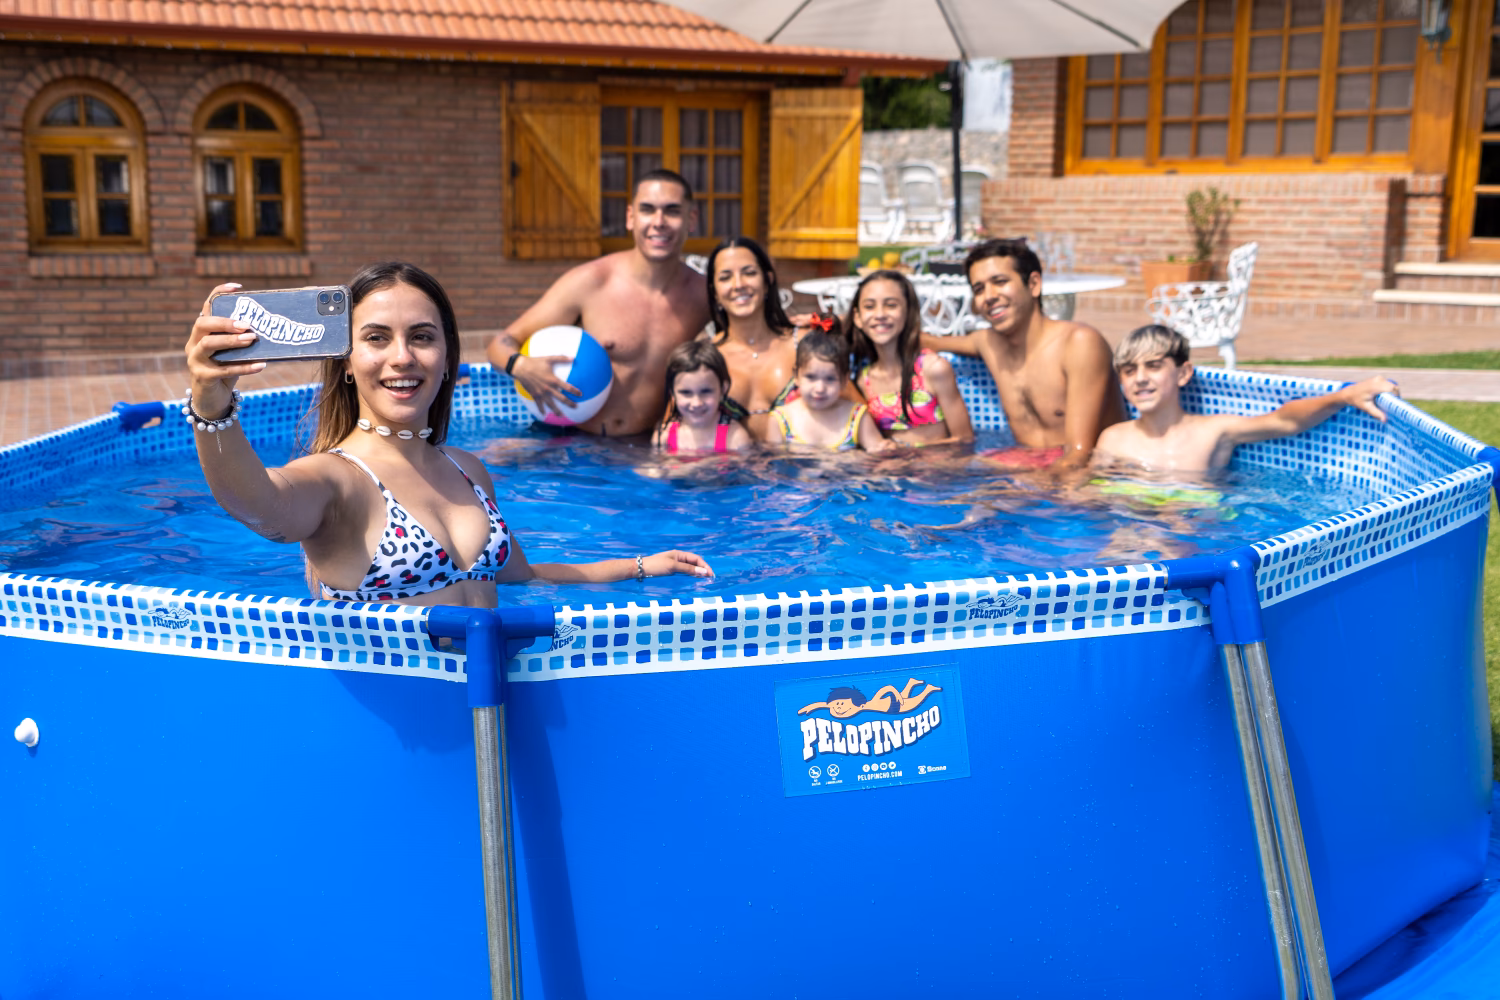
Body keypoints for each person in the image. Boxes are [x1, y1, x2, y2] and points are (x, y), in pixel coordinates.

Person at [185, 262, 713, 608]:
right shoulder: (337, 479)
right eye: (376, 338)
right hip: (407, 739)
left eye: (422, 337)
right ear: (347, 363)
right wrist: (211, 405)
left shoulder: (467, 469)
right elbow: (256, 503)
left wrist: (643, 566)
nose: (402, 357)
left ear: (446, 359)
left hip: (492, 718)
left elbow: (520, 578)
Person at [485, 169, 708, 438]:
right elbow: (502, 342)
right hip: (578, 447)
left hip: (650, 450)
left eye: (672, 211)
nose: (659, 221)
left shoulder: (703, 294)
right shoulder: (590, 282)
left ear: (691, 219)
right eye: (647, 210)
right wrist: (520, 367)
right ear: (631, 217)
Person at [1093, 324, 1398, 474]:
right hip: (1132, 531)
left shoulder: (1213, 431)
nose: (1141, 378)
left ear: (1183, 373)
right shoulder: (1113, 439)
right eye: (1129, 370)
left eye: (1154, 366)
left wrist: (1344, 396)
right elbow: (1090, 499)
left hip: (1191, 531)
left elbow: (1284, 420)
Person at [926, 239, 1123, 469]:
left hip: (1093, 477)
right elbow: (928, 341)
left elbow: (1080, 455)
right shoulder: (988, 343)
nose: (989, 296)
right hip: (1028, 467)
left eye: (1000, 282)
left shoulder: (1079, 344)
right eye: (979, 289)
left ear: (1033, 284)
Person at [847, 270, 973, 448]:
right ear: (857, 318)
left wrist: (909, 455)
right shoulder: (863, 380)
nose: (880, 314)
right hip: (891, 472)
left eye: (891, 305)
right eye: (869, 307)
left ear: (908, 312)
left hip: (937, 470)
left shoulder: (933, 369)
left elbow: (964, 440)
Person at [706, 236, 804, 441]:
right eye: (725, 277)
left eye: (749, 273)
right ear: (714, 292)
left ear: (767, 281)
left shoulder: (803, 346)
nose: (739, 284)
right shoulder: (703, 358)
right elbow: (671, 432)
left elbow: (856, 415)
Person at [764, 327, 889, 453]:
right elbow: (773, 467)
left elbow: (877, 459)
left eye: (830, 379)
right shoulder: (781, 420)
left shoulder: (857, 417)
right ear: (796, 376)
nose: (820, 388)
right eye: (811, 377)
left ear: (845, 380)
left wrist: (885, 450)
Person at [655, 341, 752, 455]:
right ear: (672, 392)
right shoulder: (664, 436)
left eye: (706, 391)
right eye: (686, 392)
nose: (696, 403)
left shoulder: (735, 438)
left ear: (723, 389)